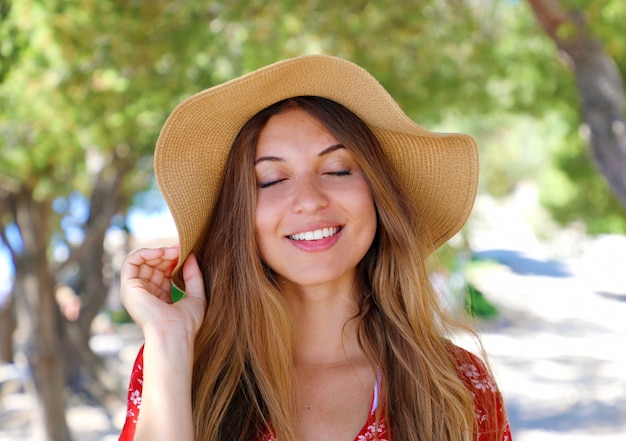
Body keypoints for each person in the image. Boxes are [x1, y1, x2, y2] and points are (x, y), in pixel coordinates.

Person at [118, 55, 512, 441]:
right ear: (240, 218)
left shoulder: (459, 386)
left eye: (338, 170)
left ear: (377, 194)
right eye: (271, 179)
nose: (309, 200)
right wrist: (169, 339)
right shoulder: (179, 367)